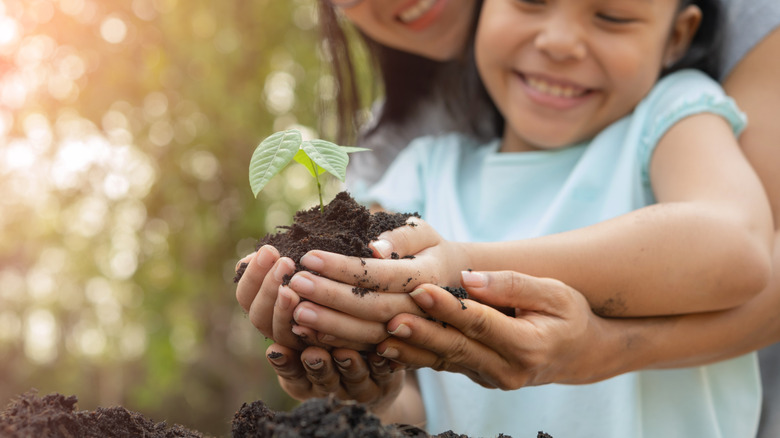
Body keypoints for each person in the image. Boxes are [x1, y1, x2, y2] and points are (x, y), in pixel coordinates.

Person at [234, 0, 780, 436]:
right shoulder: (419, 172)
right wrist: (373, 392)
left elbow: (739, 246)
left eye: (611, 16)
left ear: (678, 36)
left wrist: (465, 265)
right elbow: (413, 408)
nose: (559, 42)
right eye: (530, 0)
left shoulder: (674, 117)